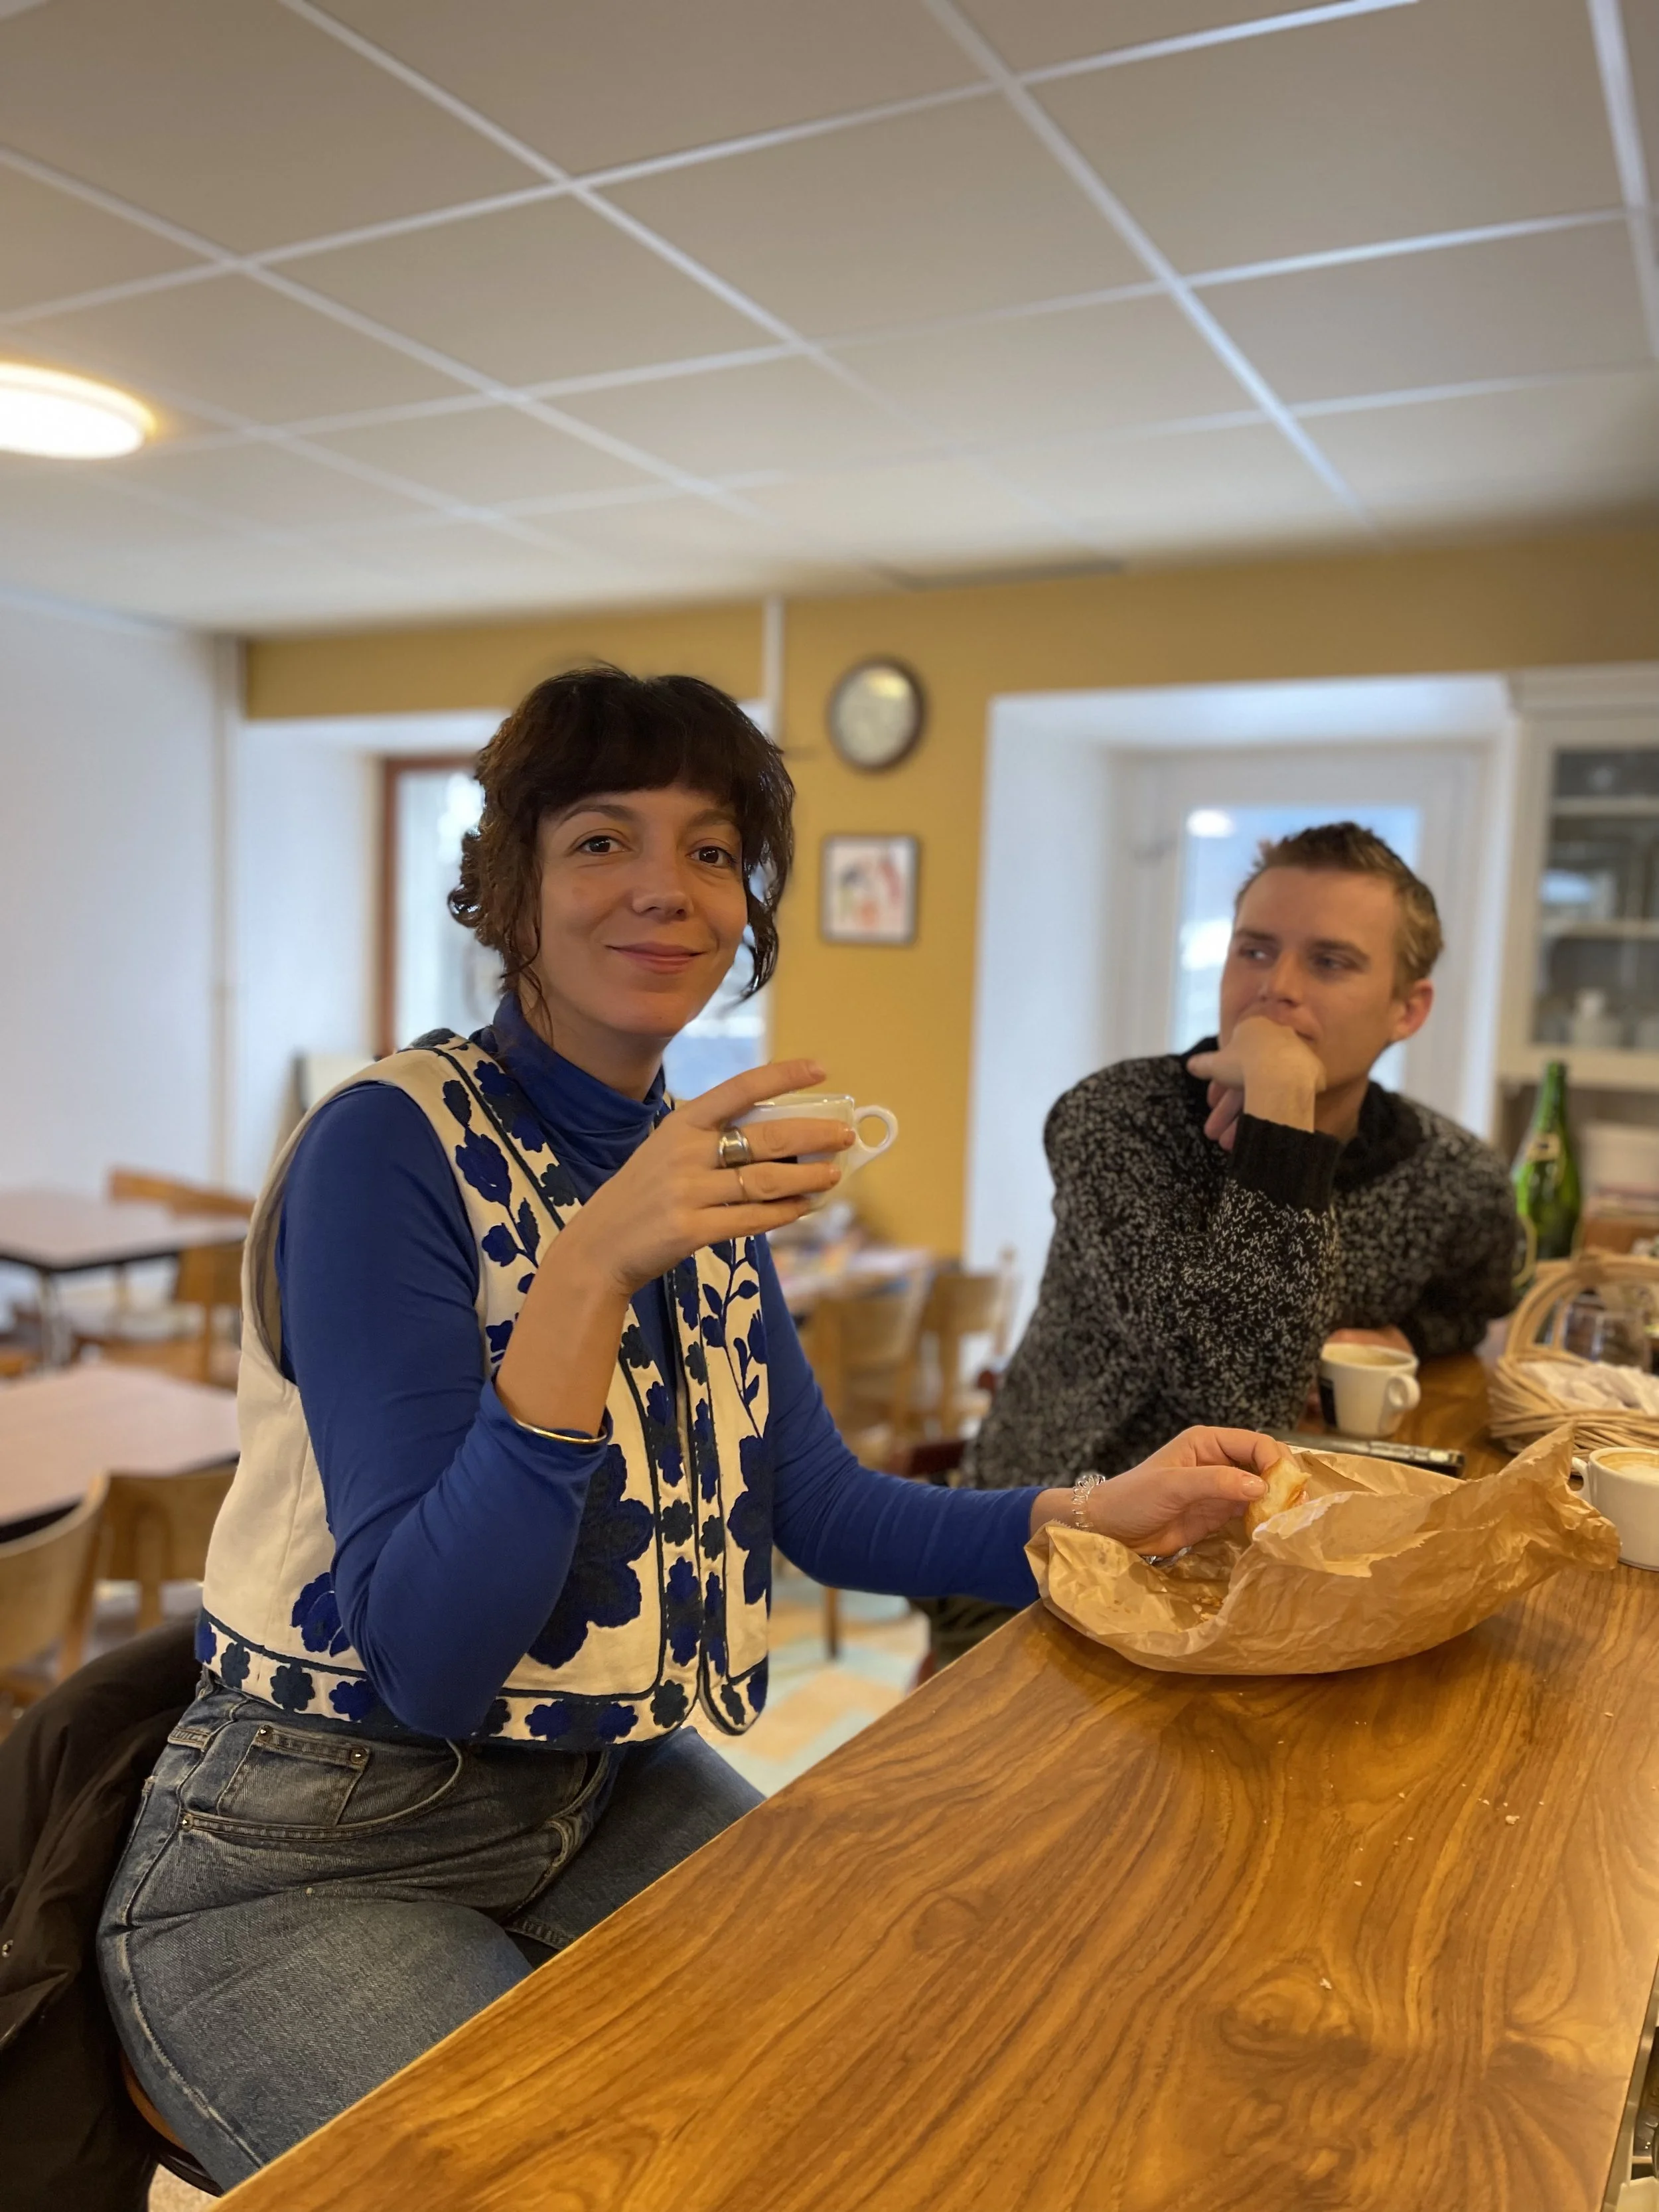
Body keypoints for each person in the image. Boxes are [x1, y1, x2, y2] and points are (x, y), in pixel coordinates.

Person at [97, 668, 1280, 2188]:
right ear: (509, 887)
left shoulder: (687, 1164)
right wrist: (591, 1267)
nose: (666, 888)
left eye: (713, 850)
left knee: (896, 2068)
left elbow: (819, 1506)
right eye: (602, 841)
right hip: (311, 1853)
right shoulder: (387, 1145)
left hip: (595, 1789)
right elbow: (431, 1659)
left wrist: (1092, 1508)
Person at [932, 822, 1517, 1666]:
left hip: (1271, 1556)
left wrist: (1409, 1337)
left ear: (1407, 1008)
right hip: (1049, 1549)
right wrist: (1283, 1119)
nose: (1273, 989)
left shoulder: (1453, 1170)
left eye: (1329, 961)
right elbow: (1234, 1392)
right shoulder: (1116, 1121)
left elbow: (1475, 1296)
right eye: (1253, 950)